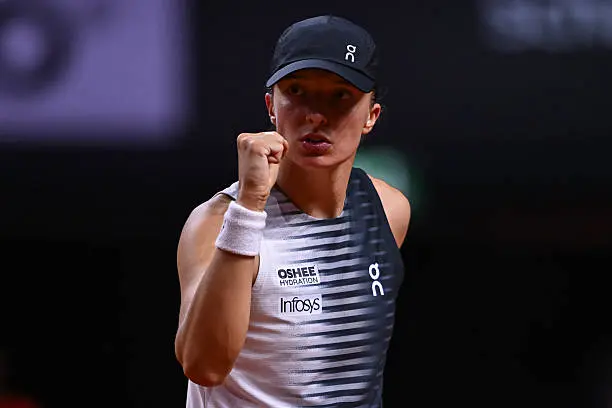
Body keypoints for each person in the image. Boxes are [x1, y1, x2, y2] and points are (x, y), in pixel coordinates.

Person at [175, 14, 411, 407]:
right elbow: (204, 366)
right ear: (271, 106)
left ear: (371, 116)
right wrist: (250, 207)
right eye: (298, 91)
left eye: (339, 95)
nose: (315, 115)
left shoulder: (388, 210)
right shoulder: (218, 221)